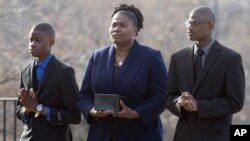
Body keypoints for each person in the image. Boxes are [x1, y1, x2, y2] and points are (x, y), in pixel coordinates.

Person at [77, 3, 168, 141]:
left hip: (140, 134)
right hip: (101, 134)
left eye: (122, 25)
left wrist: (136, 113)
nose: (116, 29)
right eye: (113, 25)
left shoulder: (150, 57)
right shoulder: (97, 56)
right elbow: (84, 95)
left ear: (135, 29)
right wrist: (91, 110)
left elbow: (162, 96)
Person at [165, 6, 245, 141]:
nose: (190, 27)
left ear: (210, 25)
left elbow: (235, 102)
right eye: (188, 22)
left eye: (195, 23)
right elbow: (169, 97)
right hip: (184, 136)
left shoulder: (230, 58)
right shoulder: (178, 57)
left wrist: (199, 106)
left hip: (215, 136)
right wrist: (179, 103)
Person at [16, 23, 81, 141]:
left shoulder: (65, 72)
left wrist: (38, 108)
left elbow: (75, 116)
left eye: (38, 40)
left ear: (51, 42)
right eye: (30, 40)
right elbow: (19, 110)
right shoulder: (25, 71)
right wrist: (27, 109)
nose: (32, 44)